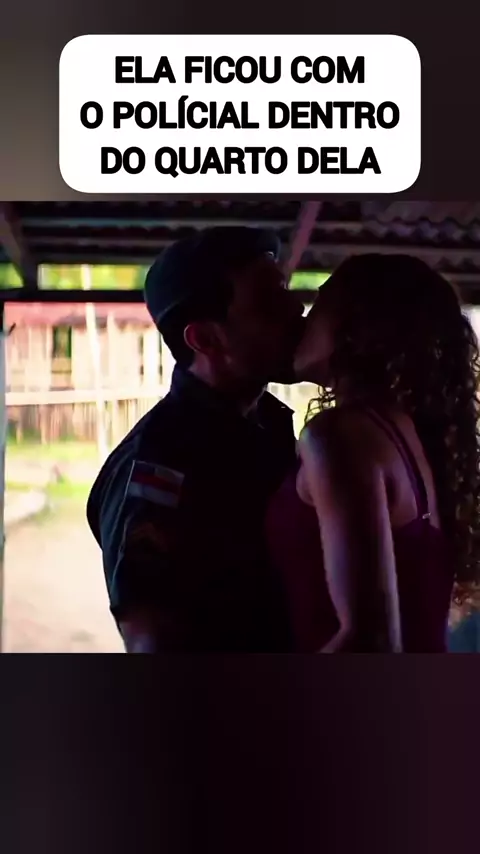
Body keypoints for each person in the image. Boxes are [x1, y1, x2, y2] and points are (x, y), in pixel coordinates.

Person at [87, 226, 305, 652]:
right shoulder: (161, 460)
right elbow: (152, 638)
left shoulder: (269, 425)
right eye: (268, 300)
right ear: (205, 339)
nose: (295, 307)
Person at [266, 254, 480, 653]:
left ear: (356, 326)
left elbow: (369, 639)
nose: (303, 320)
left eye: (320, 304)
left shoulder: (337, 436)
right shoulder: (401, 431)